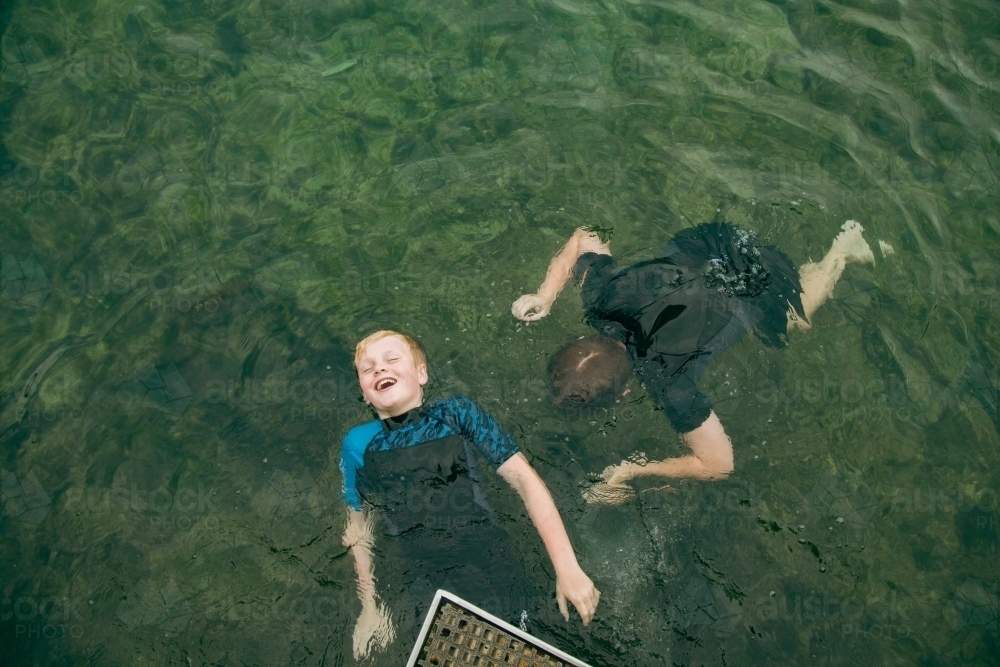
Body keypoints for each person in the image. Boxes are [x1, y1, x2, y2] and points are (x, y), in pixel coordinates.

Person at [512, 220, 875, 503]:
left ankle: (841, 252)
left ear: (626, 393)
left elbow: (719, 467)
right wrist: (545, 296)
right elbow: (586, 235)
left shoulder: (669, 382)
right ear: (580, 339)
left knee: (798, 320)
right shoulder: (599, 296)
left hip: (758, 278)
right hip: (711, 241)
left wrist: (631, 472)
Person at [340, 330, 601, 660]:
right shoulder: (358, 445)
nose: (379, 369)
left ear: (422, 374)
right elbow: (358, 526)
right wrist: (370, 607)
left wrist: (567, 567)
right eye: (368, 368)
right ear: (364, 393)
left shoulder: (457, 414)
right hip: (422, 577)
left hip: (487, 557)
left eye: (392, 359)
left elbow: (524, 479)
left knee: (519, 647)